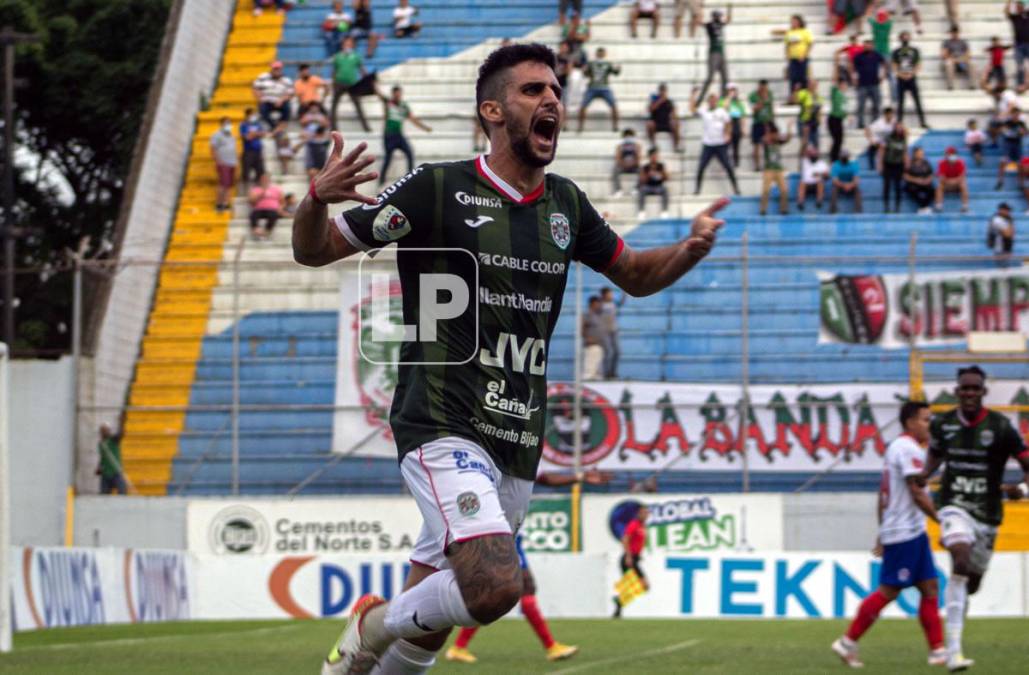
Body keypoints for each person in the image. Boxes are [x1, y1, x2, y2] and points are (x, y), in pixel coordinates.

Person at [300, 43, 728, 675]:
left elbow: (635, 274)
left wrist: (689, 249)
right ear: (492, 111)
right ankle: (370, 623)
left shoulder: (567, 205)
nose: (552, 98)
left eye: (555, 89)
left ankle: (371, 644)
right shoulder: (435, 188)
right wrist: (315, 201)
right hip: (441, 420)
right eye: (533, 90)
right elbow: (317, 251)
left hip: (518, 432)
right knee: (496, 588)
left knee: (428, 627)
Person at [919, 366, 1029, 672]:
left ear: (983, 392)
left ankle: (957, 609)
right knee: (960, 557)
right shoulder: (943, 424)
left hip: (988, 514)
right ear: (956, 391)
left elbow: (1026, 463)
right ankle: (953, 651)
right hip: (954, 504)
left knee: (971, 581)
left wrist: (1020, 488)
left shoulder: (1001, 427)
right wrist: (925, 475)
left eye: (974, 389)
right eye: (964, 388)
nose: (968, 393)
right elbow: (936, 454)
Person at [445, 469, 610, 665]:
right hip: (502, 537)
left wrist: (579, 477)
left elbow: (542, 477)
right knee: (515, 591)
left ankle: (460, 646)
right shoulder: (503, 461)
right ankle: (550, 646)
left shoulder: (512, 461)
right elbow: (543, 477)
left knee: (506, 594)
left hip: (510, 536)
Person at [831, 401, 945, 669]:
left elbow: (882, 495)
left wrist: (882, 532)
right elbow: (916, 492)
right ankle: (847, 642)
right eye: (926, 420)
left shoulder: (899, 448)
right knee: (889, 591)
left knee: (929, 587)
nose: (931, 425)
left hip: (910, 531)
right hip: (905, 532)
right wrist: (943, 521)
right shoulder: (907, 449)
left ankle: (938, 651)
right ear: (910, 423)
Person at [378, 85, 432, 185]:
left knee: (410, 153)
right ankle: (381, 180)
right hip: (389, 135)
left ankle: (410, 177)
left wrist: (425, 128)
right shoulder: (388, 103)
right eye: (396, 94)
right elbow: (379, 95)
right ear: (393, 94)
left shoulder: (404, 106)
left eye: (399, 94)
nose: (398, 96)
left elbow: (413, 119)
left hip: (399, 135)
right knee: (388, 158)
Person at [691, 88, 740, 195]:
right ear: (708, 101)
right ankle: (697, 190)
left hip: (720, 144)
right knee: (701, 167)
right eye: (711, 100)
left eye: (714, 100)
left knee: (728, 167)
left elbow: (728, 123)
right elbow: (693, 109)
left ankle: (736, 189)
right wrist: (693, 95)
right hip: (708, 144)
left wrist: (727, 133)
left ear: (717, 101)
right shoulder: (704, 110)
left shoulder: (721, 111)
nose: (713, 102)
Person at [612, 504, 649, 618]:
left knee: (640, 585)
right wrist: (629, 556)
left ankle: (619, 603)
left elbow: (637, 542)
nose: (646, 515)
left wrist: (639, 555)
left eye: (647, 513)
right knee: (644, 585)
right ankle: (619, 601)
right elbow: (625, 539)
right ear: (638, 514)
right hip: (629, 558)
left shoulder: (642, 526)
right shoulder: (634, 524)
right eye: (643, 513)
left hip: (635, 558)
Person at [330, 36, 375, 132]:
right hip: (339, 83)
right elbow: (334, 71)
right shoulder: (337, 56)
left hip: (352, 84)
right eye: (346, 43)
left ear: (352, 45)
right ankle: (333, 128)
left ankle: (366, 128)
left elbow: (362, 69)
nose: (348, 45)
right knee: (334, 106)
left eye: (350, 43)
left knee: (358, 106)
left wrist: (368, 79)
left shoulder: (356, 56)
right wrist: (333, 83)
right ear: (343, 45)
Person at [577, 47, 621, 133]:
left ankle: (615, 126)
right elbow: (586, 74)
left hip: (604, 87)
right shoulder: (591, 63)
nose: (600, 55)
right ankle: (580, 126)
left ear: (604, 54)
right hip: (593, 87)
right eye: (599, 53)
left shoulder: (608, 64)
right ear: (597, 54)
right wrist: (584, 70)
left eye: (602, 53)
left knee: (614, 106)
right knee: (583, 106)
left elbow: (615, 73)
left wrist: (618, 69)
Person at [892, 31, 928, 128]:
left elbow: (918, 64)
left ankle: (922, 122)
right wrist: (901, 75)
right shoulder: (896, 51)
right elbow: (894, 65)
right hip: (901, 79)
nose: (905, 38)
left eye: (907, 36)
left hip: (912, 78)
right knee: (900, 102)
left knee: (917, 101)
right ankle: (899, 123)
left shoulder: (915, 50)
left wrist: (911, 74)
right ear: (900, 38)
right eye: (903, 36)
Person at [696, 6, 732, 101]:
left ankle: (723, 100)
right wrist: (700, 11)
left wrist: (730, 9)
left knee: (725, 78)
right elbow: (699, 22)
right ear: (714, 16)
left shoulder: (720, 24)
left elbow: (728, 20)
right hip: (713, 53)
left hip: (721, 53)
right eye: (718, 16)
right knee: (710, 77)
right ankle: (700, 99)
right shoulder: (710, 25)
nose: (719, 17)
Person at [853, 37, 887, 128]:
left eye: (869, 45)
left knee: (876, 105)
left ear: (872, 46)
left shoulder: (877, 55)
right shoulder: (858, 56)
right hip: (862, 84)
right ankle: (860, 123)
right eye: (866, 45)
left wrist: (883, 75)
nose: (867, 47)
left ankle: (875, 123)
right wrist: (854, 79)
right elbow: (853, 68)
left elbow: (885, 64)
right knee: (860, 106)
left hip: (874, 84)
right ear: (863, 46)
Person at [759, 122, 790, 215]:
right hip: (768, 169)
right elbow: (764, 139)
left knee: (784, 190)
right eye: (776, 133)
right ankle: (763, 210)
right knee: (765, 190)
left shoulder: (778, 143)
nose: (777, 135)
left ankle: (783, 209)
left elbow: (787, 139)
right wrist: (769, 132)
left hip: (778, 170)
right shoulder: (767, 142)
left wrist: (789, 128)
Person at [252, 60, 294, 129]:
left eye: (278, 69)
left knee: (287, 108)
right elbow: (255, 89)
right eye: (275, 69)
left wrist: (281, 100)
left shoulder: (286, 80)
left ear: (281, 69)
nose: (276, 70)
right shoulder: (262, 77)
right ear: (271, 69)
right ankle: (274, 126)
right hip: (267, 101)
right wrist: (260, 98)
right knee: (262, 108)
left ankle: (281, 125)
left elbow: (290, 93)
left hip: (280, 101)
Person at [878, 122, 907, 212]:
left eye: (900, 127)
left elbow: (904, 152)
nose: (899, 129)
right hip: (888, 164)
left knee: (898, 186)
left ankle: (897, 208)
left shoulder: (903, 139)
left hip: (898, 165)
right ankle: (886, 207)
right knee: (886, 186)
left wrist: (906, 164)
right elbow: (882, 150)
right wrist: (880, 164)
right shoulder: (888, 138)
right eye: (897, 127)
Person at [209, 116, 237, 212]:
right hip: (223, 162)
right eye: (226, 123)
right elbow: (213, 148)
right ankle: (219, 203)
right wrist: (218, 161)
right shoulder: (216, 135)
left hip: (232, 162)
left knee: (229, 184)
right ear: (221, 124)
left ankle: (226, 203)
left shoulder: (231, 136)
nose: (228, 125)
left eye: (229, 123)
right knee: (222, 184)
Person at [996, 106, 1027, 189]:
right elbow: (1001, 130)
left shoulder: (1021, 123)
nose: (1016, 116)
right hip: (1008, 144)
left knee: (1021, 164)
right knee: (1003, 161)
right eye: (1015, 114)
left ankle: (1021, 183)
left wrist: (1022, 132)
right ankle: (1000, 181)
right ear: (1012, 114)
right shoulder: (1007, 122)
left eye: (1018, 114)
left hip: (1017, 144)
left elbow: (1025, 133)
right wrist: (1003, 130)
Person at [782, 15, 814, 97]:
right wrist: (787, 56)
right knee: (793, 78)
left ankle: (804, 96)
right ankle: (793, 96)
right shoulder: (789, 32)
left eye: (794, 21)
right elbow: (787, 45)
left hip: (802, 58)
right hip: (793, 58)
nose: (793, 23)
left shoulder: (804, 31)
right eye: (792, 21)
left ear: (799, 22)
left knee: (802, 77)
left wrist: (804, 55)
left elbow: (810, 44)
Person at [646, 83, 682, 153]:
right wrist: (660, 100)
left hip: (666, 123)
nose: (662, 92)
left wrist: (675, 119)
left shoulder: (669, 101)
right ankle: (653, 145)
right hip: (656, 123)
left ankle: (676, 145)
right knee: (649, 124)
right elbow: (650, 109)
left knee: (676, 124)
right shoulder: (654, 99)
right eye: (661, 90)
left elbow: (674, 113)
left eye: (664, 90)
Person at [869, 6, 895, 98]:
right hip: (886, 52)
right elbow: (890, 17)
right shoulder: (888, 24)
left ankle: (877, 96)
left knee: (876, 75)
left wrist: (874, 11)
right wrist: (886, 13)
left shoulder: (875, 24)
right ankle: (894, 97)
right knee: (891, 75)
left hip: (876, 53)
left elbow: (869, 17)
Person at [248, 172, 284, 239]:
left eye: (266, 179)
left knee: (273, 215)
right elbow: (251, 201)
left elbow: (282, 201)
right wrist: (261, 194)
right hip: (259, 209)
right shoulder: (255, 189)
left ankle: (267, 230)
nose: (265, 180)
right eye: (263, 179)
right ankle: (256, 229)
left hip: (272, 209)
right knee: (253, 215)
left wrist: (280, 208)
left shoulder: (276, 189)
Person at [935, 146, 970, 213]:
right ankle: (939, 206)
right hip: (947, 185)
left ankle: (965, 206)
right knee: (939, 187)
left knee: (963, 185)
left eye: (952, 154)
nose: (951, 155)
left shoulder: (960, 163)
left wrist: (953, 181)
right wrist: (950, 182)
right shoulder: (942, 163)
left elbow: (962, 176)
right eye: (949, 154)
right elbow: (941, 177)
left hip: (956, 184)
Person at [748, 79, 774, 170]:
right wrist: (760, 103)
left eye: (765, 87)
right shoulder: (753, 95)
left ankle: (768, 164)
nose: (764, 89)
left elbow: (771, 107)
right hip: (757, 122)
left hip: (767, 122)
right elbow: (753, 109)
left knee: (768, 144)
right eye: (762, 87)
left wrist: (772, 120)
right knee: (756, 145)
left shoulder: (770, 94)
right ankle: (757, 166)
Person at [637, 147, 670, 219]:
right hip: (648, 187)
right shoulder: (645, 167)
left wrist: (661, 174)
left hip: (658, 187)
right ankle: (641, 211)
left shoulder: (661, 166)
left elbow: (667, 178)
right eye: (653, 156)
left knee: (665, 189)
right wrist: (648, 175)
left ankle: (664, 211)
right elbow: (642, 181)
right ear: (650, 157)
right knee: (642, 189)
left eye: (656, 156)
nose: (655, 157)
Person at [794, 78, 824, 155]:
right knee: (805, 143)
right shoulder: (803, 93)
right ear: (808, 85)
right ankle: (802, 163)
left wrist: (819, 120)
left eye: (814, 84)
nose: (812, 86)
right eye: (811, 84)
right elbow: (795, 100)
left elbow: (819, 110)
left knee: (816, 144)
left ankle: (814, 162)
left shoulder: (818, 97)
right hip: (804, 122)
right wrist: (796, 90)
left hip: (814, 123)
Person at [941, 25, 976, 90]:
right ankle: (950, 86)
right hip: (952, 60)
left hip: (962, 60)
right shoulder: (947, 42)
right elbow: (944, 55)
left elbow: (969, 54)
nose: (955, 34)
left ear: (958, 33)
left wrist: (961, 59)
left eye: (956, 32)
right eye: (953, 32)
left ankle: (972, 85)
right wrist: (953, 59)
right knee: (948, 64)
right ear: (951, 33)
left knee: (972, 64)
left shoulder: (963, 42)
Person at [96, 423, 127, 495]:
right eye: (103, 430)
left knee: (122, 490)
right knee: (104, 494)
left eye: (106, 430)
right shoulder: (101, 444)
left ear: (109, 431)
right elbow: (103, 458)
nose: (104, 432)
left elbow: (120, 435)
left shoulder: (113, 440)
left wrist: (122, 422)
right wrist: (99, 467)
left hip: (115, 471)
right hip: (106, 473)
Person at [239, 108, 265, 190]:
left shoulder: (258, 124)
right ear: (248, 115)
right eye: (252, 114)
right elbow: (247, 137)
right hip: (248, 151)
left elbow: (263, 133)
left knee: (260, 171)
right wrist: (256, 134)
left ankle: (259, 190)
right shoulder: (243, 125)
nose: (254, 116)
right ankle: (246, 190)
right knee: (246, 172)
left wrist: (253, 134)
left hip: (258, 150)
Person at [903, 146, 935, 214]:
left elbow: (931, 174)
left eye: (922, 153)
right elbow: (905, 176)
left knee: (932, 189)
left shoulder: (926, 163)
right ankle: (923, 207)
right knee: (912, 189)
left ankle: (923, 207)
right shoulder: (909, 163)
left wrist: (927, 180)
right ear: (915, 154)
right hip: (913, 183)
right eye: (919, 153)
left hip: (924, 183)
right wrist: (916, 180)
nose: (921, 154)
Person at [721, 83, 746, 167]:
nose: (733, 92)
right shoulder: (723, 100)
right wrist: (729, 97)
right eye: (731, 90)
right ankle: (726, 163)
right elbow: (725, 108)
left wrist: (743, 128)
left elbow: (742, 116)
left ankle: (736, 164)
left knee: (736, 147)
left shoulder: (739, 103)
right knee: (726, 147)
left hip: (736, 124)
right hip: (728, 124)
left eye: (734, 90)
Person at [797, 144, 828, 211]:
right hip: (806, 185)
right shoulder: (805, 161)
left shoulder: (822, 164)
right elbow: (801, 151)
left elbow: (827, 176)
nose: (813, 155)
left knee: (820, 183)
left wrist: (820, 174)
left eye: (815, 154)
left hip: (816, 185)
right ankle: (800, 202)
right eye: (811, 154)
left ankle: (819, 202)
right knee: (802, 183)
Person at [612, 129, 642, 197]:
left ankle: (636, 189)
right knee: (615, 169)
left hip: (634, 166)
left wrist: (632, 164)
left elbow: (639, 159)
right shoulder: (620, 146)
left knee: (641, 169)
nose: (628, 138)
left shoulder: (637, 146)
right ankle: (618, 190)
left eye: (630, 136)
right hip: (623, 166)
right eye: (627, 136)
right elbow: (618, 158)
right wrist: (624, 164)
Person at [600, 287, 621, 379]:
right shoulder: (600, 305)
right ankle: (606, 373)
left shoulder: (613, 303)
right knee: (608, 352)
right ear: (604, 295)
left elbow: (621, 303)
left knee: (617, 352)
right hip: (605, 331)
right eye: (609, 294)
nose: (611, 295)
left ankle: (613, 372)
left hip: (614, 330)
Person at [583, 295, 607, 379]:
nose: (599, 305)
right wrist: (587, 338)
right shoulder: (587, 314)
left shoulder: (598, 315)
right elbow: (582, 328)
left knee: (598, 372)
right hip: (592, 345)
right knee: (589, 371)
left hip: (599, 345)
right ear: (592, 304)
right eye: (598, 303)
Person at [1006, 0, 1029, 87]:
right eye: (1017, 6)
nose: (1018, 8)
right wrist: (1008, 2)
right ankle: (1020, 84)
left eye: (1020, 6)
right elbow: (1007, 12)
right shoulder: (1015, 17)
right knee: (1020, 65)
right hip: (1019, 45)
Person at [828, 77, 849, 162]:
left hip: (839, 120)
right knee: (837, 140)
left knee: (839, 140)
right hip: (833, 119)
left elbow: (843, 110)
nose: (845, 86)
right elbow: (833, 86)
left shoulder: (844, 97)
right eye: (844, 85)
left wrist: (846, 115)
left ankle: (835, 157)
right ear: (840, 85)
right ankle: (833, 158)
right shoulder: (836, 93)